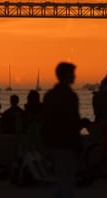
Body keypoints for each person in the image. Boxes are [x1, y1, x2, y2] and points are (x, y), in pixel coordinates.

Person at [42, 62, 82, 198]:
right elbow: (73, 122)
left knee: (63, 179)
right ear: (66, 75)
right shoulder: (69, 96)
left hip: (54, 142)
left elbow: (45, 121)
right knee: (67, 179)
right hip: (66, 143)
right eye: (72, 73)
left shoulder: (50, 95)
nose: (75, 76)